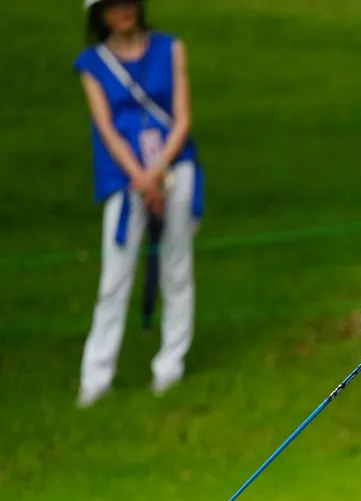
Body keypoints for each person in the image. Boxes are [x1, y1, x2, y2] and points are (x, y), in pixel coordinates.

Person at [74, 0, 203, 407]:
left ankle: (170, 369)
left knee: (176, 270)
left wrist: (160, 169)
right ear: (99, 13)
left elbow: (182, 118)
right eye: (112, 4)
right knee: (114, 278)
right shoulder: (93, 63)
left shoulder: (170, 48)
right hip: (124, 177)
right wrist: (141, 177)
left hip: (174, 168)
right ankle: (94, 382)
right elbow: (105, 127)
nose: (123, 9)